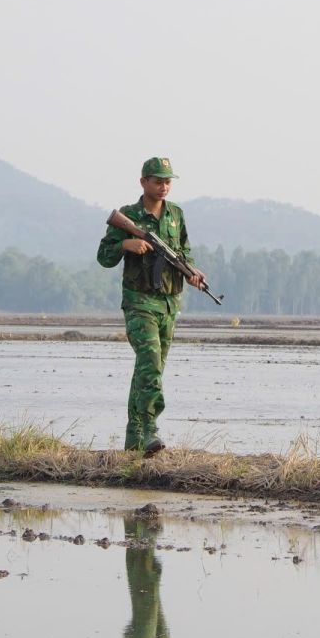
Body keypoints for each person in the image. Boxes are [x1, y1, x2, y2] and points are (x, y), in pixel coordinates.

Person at [95, 157, 205, 455]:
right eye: (158, 181)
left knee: (149, 370)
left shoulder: (176, 215)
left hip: (169, 304)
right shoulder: (129, 216)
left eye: (168, 181)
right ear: (143, 182)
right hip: (139, 302)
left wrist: (191, 271)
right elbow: (104, 257)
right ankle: (150, 429)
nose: (163, 186)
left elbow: (183, 251)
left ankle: (134, 439)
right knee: (150, 362)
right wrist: (124, 245)